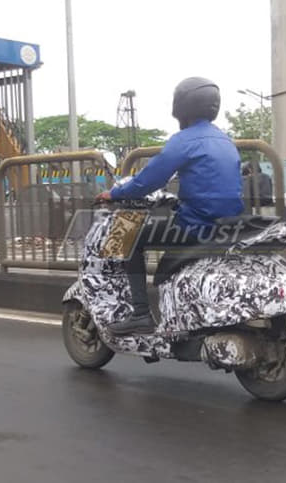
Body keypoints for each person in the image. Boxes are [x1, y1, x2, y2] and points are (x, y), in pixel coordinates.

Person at [95, 77, 244, 335]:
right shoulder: (225, 140)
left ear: (182, 106)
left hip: (196, 226)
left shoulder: (184, 140)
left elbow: (149, 180)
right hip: (228, 225)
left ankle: (140, 314)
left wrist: (114, 193)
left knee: (127, 237)